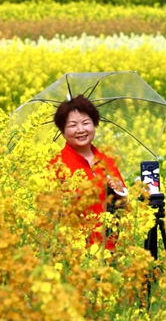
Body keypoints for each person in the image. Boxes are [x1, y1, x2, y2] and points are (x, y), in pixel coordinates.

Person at [50, 94, 128, 251]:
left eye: (86, 123)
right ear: (62, 130)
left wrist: (120, 192)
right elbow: (49, 212)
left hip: (110, 248)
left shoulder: (107, 161)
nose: (80, 130)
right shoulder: (56, 165)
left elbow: (125, 206)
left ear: (94, 125)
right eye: (72, 125)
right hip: (75, 251)